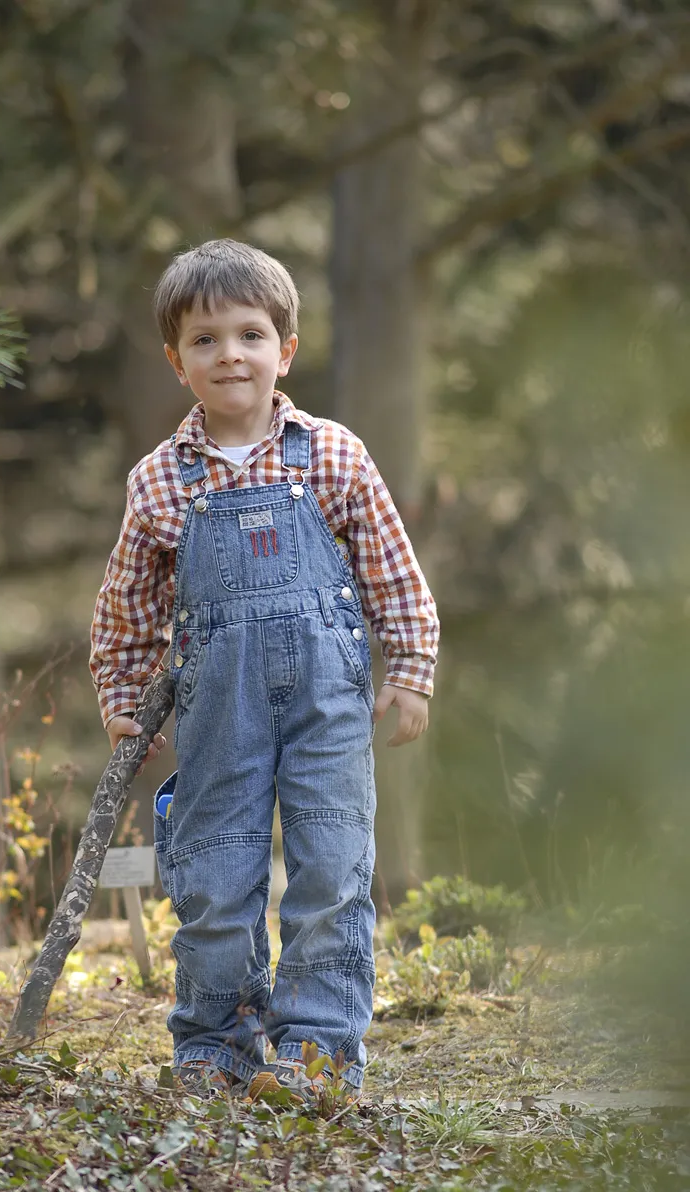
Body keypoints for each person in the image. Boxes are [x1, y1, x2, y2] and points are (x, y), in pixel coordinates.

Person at [90, 238, 439, 1101]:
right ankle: (217, 1045)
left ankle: (318, 1049)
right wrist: (125, 701)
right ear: (177, 362)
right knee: (214, 874)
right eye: (204, 340)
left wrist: (413, 668)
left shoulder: (334, 457)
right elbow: (127, 607)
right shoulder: (159, 484)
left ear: (285, 349)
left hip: (329, 706)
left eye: (249, 334)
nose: (229, 354)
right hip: (219, 711)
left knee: (330, 868)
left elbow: (396, 572)